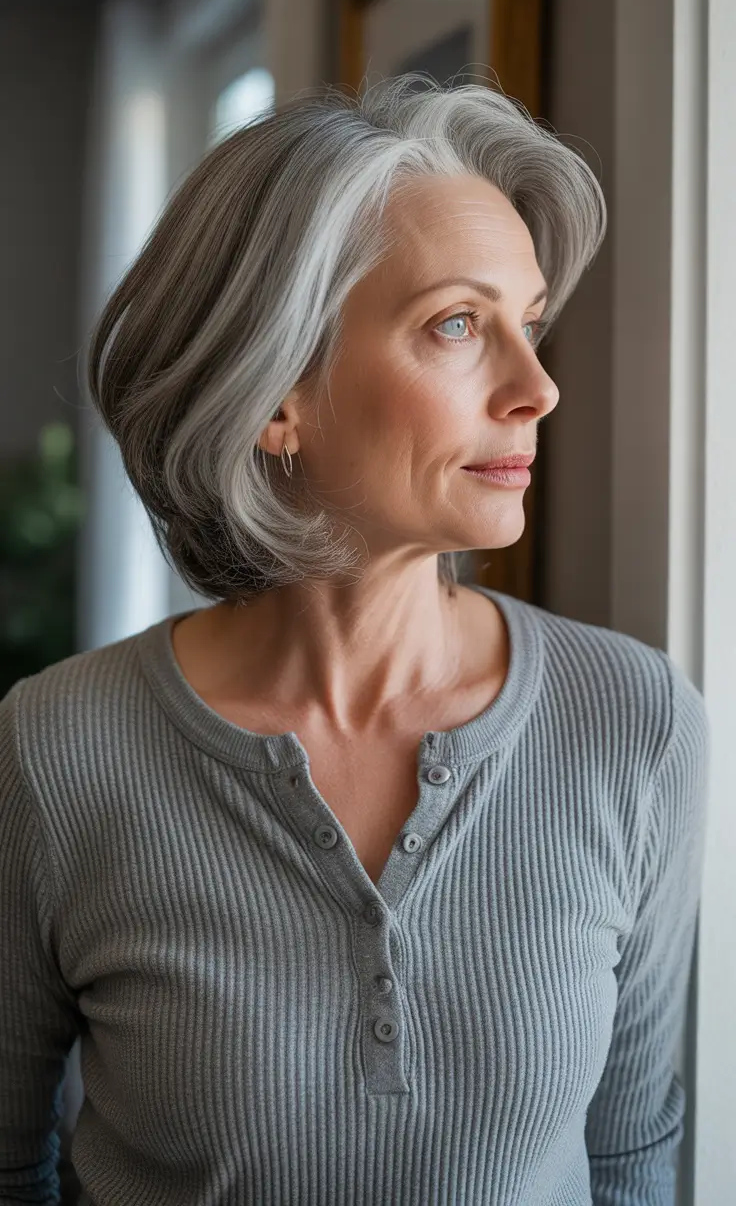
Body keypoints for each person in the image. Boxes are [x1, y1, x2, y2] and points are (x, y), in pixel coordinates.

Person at [0, 74, 709, 1206]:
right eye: (458, 325)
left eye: (526, 325)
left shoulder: (632, 721)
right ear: (277, 389)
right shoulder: (56, 748)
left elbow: (632, 1161)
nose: (538, 388)